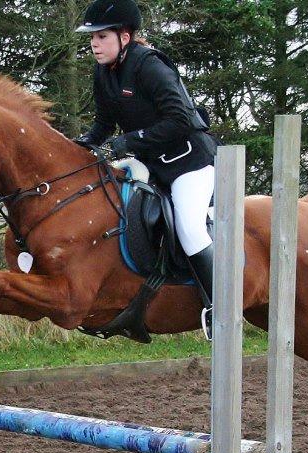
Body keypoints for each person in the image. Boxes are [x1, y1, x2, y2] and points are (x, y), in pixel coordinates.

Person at [74, 0, 218, 328]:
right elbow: (103, 126)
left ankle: (219, 305)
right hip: (150, 166)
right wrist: (78, 148)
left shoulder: (149, 66)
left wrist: (128, 142)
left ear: (125, 37)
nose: (94, 44)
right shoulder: (104, 72)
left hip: (188, 164)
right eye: (92, 38)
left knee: (190, 228)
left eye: (102, 36)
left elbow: (181, 120)